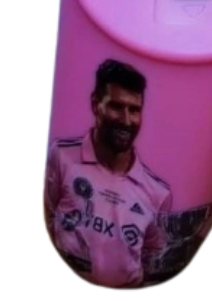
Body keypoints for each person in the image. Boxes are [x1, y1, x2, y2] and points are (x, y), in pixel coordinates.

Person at [45, 59, 174, 287]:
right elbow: (46, 218)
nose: (126, 120)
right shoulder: (62, 157)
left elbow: (154, 263)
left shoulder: (158, 194)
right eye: (116, 107)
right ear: (96, 105)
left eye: (134, 110)